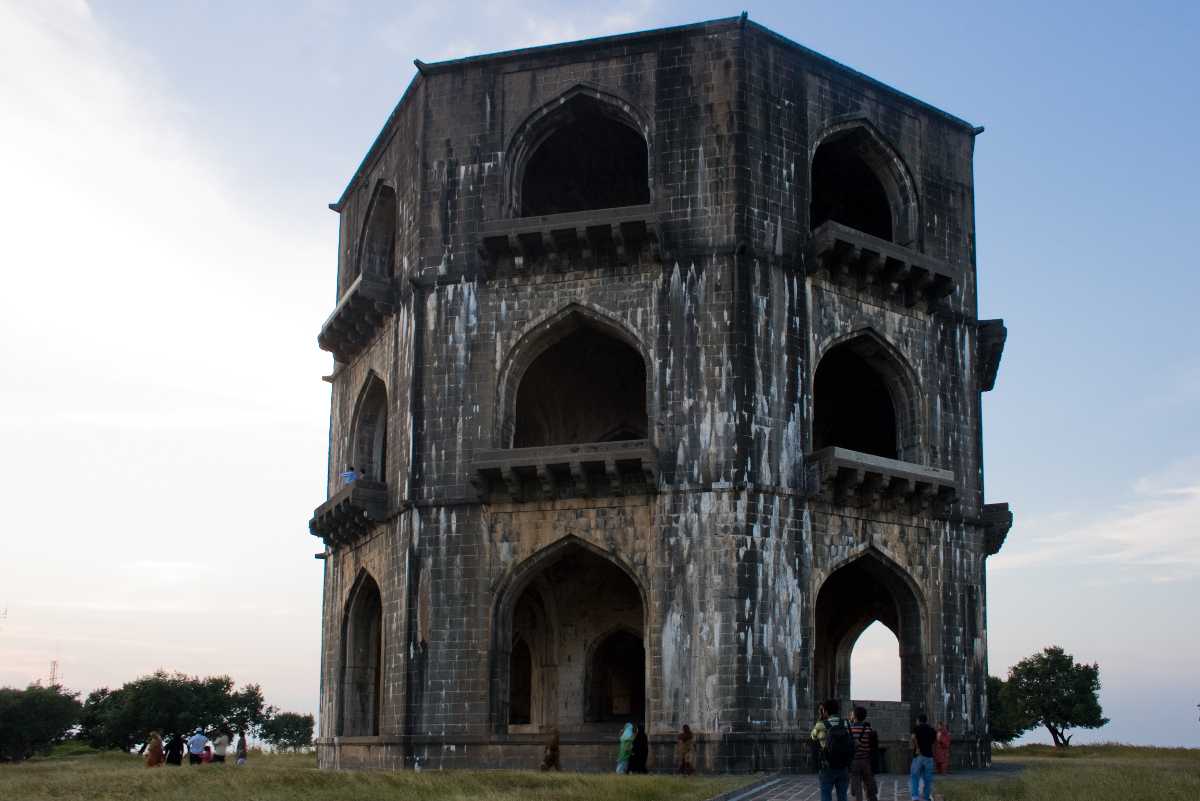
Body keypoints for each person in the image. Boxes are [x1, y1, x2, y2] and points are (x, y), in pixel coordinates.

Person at [811, 699, 853, 801]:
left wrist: (820, 718)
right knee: (842, 796)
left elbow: (813, 736)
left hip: (827, 765)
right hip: (843, 765)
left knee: (826, 795)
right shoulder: (846, 723)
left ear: (825, 711)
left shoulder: (821, 725)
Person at [848, 707, 878, 801]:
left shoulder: (849, 730)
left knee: (857, 789)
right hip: (866, 761)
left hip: (854, 762)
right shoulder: (869, 729)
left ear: (855, 716)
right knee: (870, 788)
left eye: (852, 714)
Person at [910, 713, 937, 801]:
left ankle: (915, 797)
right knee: (928, 778)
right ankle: (926, 797)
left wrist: (917, 748)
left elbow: (913, 738)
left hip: (918, 755)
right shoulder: (932, 730)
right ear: (926, 721)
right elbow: (933, 741)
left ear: (918, 720)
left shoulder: (916, 728)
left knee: (915, 776)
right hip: (929, 756)